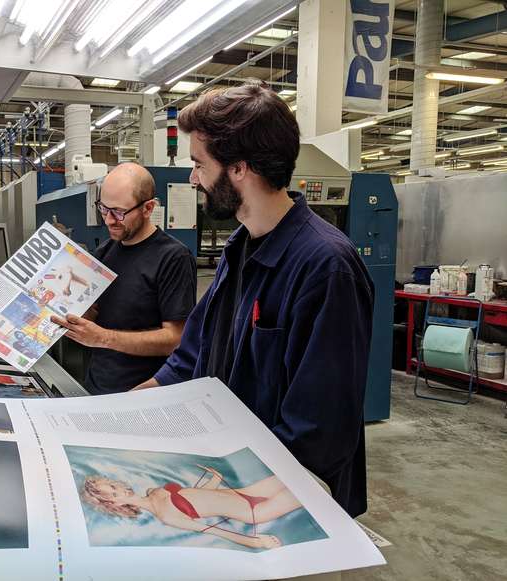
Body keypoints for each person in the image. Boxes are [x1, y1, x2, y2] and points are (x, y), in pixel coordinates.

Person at [136, 81, 375, 519]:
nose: (193, 178)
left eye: (199, 164)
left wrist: (229, 500)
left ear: (240, 168)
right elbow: (192, 355)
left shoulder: (325, 267)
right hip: (233, 470)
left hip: (289, 499)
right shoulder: (240, 248)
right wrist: (126, 408)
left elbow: (319, 431)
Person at [52, 163, 197, 394]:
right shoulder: (104, 252)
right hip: (97, 387)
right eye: (103, 209)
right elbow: (94, 313)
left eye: (119, 212)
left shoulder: (173, 258)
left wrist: (103, 338)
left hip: (141, 395)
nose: (109, 220)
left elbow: (175, 339)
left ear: (148, 208)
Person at [81, 467, 301, 550]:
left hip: (248, 492)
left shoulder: (153, 490)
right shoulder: (165, 516)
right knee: (312, 490)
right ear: (115, 505)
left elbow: (200, 498)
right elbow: (215, 530)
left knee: (304, 475)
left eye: (112, 485)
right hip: (252, 512)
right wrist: (255, 542)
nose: (118, 489)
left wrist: (216, 478)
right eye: (112, 495)